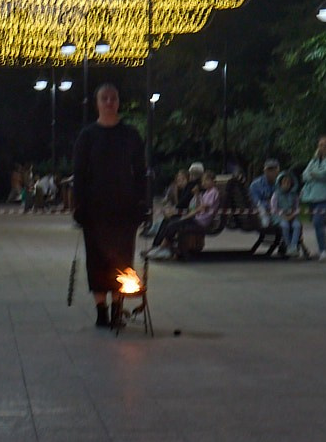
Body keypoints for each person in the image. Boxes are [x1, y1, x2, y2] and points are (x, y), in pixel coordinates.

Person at [69, 83, 148, 328]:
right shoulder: (88, 136)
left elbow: (141, 173)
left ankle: (117, 309)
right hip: (95, 209)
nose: (110, 102)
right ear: (97, 103)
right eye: (105, 98)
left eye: (113, 98)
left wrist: (143, 203)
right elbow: (79, 174)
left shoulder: (131, 135)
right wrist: (78, 205)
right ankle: (101, 311)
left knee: (122, 260)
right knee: (96, 260)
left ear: (118, 102)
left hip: (125, 209)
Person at [151, 171, 222, 259]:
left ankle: (163, 248)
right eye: (203, 181)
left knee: (174, 224)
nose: (203, 183)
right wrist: (196, 194)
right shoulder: (207, 192)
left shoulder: (213, 192)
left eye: (206, 181)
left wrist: (186, 217)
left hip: (201, 222)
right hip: (197, 219)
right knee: (172, 222)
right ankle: (161, 247)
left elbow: (200, 209)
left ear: (212, 181)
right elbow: (198, 205)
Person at [299, 136, 326, 261]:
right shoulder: (315, 160)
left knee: (318, 221)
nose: (322, 147)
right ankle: (320, 249)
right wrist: (314, 173)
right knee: (316, 224)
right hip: (311, 197)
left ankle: (324, 250)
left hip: (324, 196)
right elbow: (304, 175)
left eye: (325, 145)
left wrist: (314, 173)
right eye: (320, 145)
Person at [273, 170, 305, 257]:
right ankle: (288, 246)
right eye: (284, 182)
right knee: (285, 226)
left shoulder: (294, 195)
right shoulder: (276, 194)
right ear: (280, 183)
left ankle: (293, 246)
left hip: (292, 216)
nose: (286, 184)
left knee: (297, 225)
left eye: (288, 182)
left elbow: (297, 207)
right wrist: (282, 215)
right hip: (280, 217)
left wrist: (293, 215)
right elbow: (274, 208)